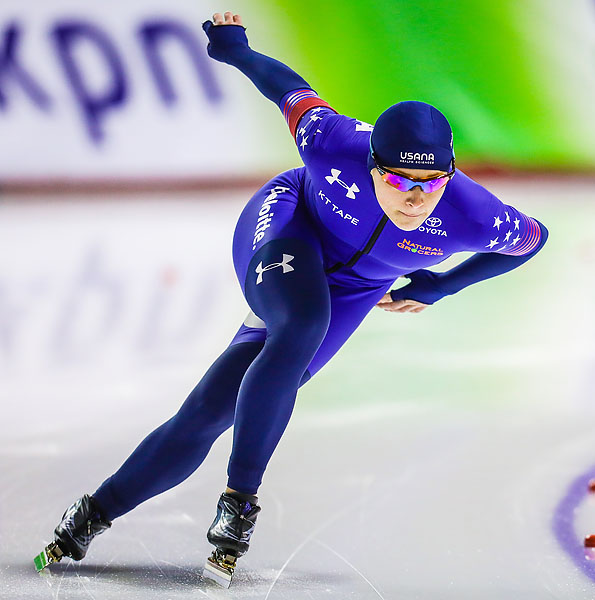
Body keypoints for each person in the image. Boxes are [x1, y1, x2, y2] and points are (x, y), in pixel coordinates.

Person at [35, 11, 549, 586]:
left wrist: (443, 284)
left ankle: (93, 513)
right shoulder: (332, 142)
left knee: (212, 408)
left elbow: (533, 241)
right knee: (302, 321)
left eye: (430, 182)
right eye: (399, 179)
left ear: (451, 174)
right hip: (288, 225)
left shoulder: (476, 215)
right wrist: (235, 49)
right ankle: (240, 501)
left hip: (356, 288)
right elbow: (287, 88)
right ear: (372, 166)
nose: (414, 197)